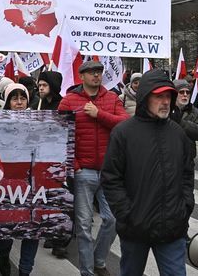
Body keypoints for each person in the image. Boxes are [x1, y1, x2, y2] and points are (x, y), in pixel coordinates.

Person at [102, 69, 194, 276]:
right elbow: (111, 179)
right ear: (145, 98)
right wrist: (127, 214)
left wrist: (185, 207)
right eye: (158, 96)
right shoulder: (123, 133)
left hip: (172, 228)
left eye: (168, 96)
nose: (165, 102)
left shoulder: (178, 133)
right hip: (135, 229)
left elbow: (187, 174)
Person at [58, 60, 128, 276]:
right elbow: (60, 135)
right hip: (84, 172)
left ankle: (98, 260)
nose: (96, 76)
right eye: (91, 73)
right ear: (82, 76)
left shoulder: (111, 98)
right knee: (84, 226)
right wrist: (76, 166)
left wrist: (99, 114)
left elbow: (125, 125)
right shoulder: (69, 101)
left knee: (113, 220)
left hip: (109, 172)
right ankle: (87, 271)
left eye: (99, 72)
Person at [0, 83, 40, 276]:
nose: (19, 103)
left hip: (32, 184)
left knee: (33, 229)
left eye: (23, 98)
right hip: (7, 184)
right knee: (5, 227)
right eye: (15, 98)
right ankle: (4, 256)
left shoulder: (40, 120)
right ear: (7, 102)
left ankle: (25, 270)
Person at [172, 79, 198, 158]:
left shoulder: (194, 111)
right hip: (170, 155)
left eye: (187, 92)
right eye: (181, 92)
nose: (185, 94)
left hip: (188, 157)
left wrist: (181, 122)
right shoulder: (166, 109)